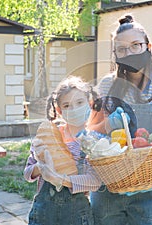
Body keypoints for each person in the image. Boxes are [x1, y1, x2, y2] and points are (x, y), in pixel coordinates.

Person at [89, 14, 152, 225]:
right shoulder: (107, 86)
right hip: (107, 188)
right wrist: (108, 124)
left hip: (150, 196)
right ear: (115, 54)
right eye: (122, 49)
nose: (130, 53)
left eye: (136, 45)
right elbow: (90, 132)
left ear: (148, 47)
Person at [24, 75, 102, 225]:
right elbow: (27, 173)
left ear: (90, 104)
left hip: (77, 216)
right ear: (59, 111)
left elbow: (94, 181)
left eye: (79, 102)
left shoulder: (94, 142)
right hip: (44, 214)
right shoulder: (47, 136)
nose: (74, 109)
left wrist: (60, 179)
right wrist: (41, 168)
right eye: (67, 106)